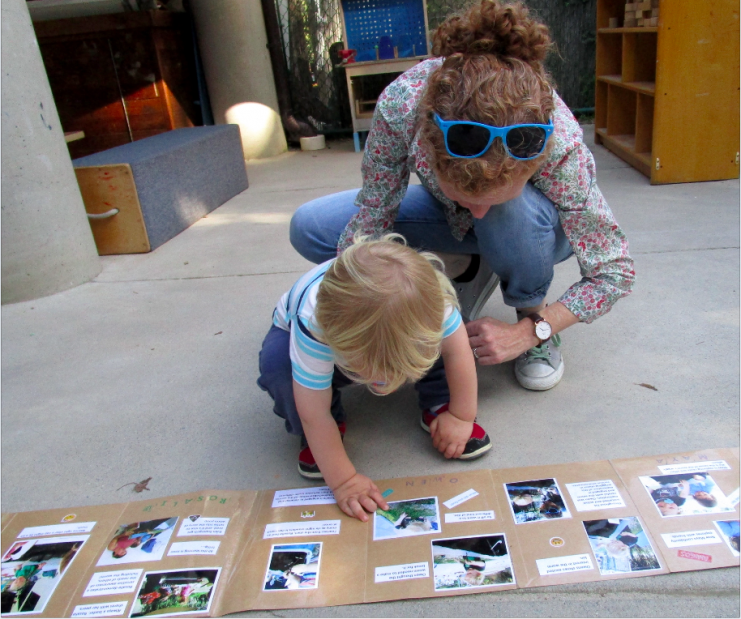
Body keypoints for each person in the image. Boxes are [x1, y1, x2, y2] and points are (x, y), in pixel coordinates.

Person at [289, 0, 634, 393]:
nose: (479, 210)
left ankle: (528, 301)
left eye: (490, 197)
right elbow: (374, 215)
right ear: (429, 150)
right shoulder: (402, 105)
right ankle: (473, 264)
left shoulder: (560, 139)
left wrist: (531, 330)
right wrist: (357, 308)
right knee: (310, 227)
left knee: (505, 213)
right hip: (446, 216)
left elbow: (614, 269)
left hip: (533, 231)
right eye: (467, 197)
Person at [258, 234, 491, 521]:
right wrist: (344, 481)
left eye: (394, 372)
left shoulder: (433, 303)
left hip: (386, 330)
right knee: (279, 369)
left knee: (452, 344)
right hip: (307, 337)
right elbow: (313, 414)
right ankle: (325, 434)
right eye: (374, 372)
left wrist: (462, 416)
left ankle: (439, 402)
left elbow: (458, 354)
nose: (383, 384)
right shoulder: (314, 328)